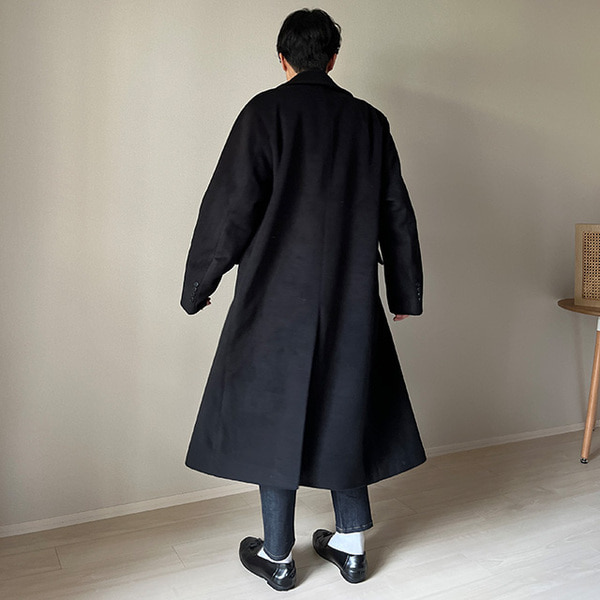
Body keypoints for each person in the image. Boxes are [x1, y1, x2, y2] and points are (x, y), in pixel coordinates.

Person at [181, 8, 425, 592]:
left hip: (274, 297)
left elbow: (231, 208)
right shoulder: (369, 122)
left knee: (276, 415)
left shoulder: (264, 113)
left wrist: (199, 285)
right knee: (347, 404)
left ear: (283, 58)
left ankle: (278, 557)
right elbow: (396, 209)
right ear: (333, 58)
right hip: (349, 296)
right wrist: (404, 290)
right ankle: (352, 547)